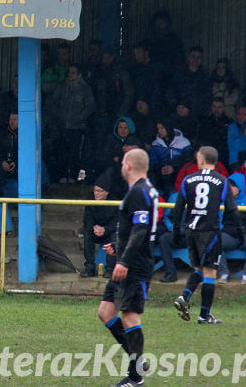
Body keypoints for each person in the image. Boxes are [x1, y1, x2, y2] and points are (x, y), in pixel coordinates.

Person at [96, 148, 158, 387]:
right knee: (105, 312)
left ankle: (135, 377)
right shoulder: (141, 190)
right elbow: (134, 228)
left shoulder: (140, 192)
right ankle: (138, 360)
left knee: (130, 316)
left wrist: (124, 260)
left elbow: (141, 230)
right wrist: (118, 247)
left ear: (129, 166)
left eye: (123, 162)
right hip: (127, 260)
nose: (121, 166)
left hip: (135, 265)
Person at [172, 146, 239, 325]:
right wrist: (236, 230)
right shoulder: (222, 181)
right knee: (209, 272)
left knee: (199, 269)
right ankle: (204, 316)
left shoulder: (188, 180)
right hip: (210, 230)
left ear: (200, 160)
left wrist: (176, 229)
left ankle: (184, 297)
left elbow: (178, 208)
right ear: (215, 162)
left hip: (191, 231)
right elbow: (232, 208)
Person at [217, 173, 246, 285]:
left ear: (239, 187)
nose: (230, 189)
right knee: (215, 241)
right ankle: (223, 273)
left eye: (233, 186)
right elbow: (218, 221)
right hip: (229, 235)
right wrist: (222, 230)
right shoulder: (221, 202)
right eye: (228, 186)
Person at [80, 173, 117, 277]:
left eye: (99, 191)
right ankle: (89, 268)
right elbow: (87, 219)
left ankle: (110, 269)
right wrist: (94, 228)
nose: (96, 193)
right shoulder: (90, 200)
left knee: (115, 237)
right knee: (87, 234)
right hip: (95, 230)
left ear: (107, 192)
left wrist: (105, 229)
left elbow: (116, 222)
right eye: (95, 190)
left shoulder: (114, 202)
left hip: (108, 231)